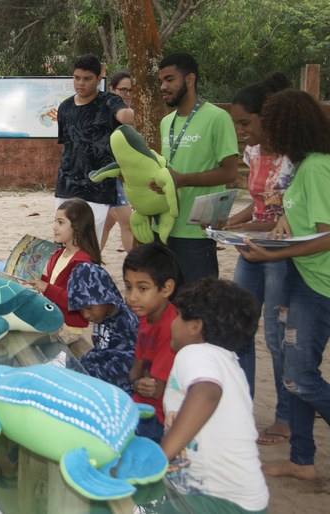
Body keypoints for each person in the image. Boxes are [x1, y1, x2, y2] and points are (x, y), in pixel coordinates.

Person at [236, 89, 330, 481]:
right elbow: (297, 220)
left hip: (320, 287)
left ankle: (302, 455)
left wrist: (273, 256)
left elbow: (327, 234)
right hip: (302, 277)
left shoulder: (317, 168)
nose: (263, 134)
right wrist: (273, 232)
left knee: (299, 376)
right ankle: (302, 461)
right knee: (297, 369)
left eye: (269, 125)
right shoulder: (303, 166)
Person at [225, 72, 293, 445]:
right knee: (240, 327)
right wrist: (229, 222)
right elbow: (261, 204)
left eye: (245, 122)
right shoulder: (253, 153)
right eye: (236, 123)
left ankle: (284, 417)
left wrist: (250, 229)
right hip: (251, 249)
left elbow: (290, 213)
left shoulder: (296, 156)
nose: (240, 131)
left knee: (277, 335)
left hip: (283, 254)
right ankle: (241, 408)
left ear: (268, 118)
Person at [162, 278, 268, 513]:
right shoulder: (227, 362)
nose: (173, 321)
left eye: (178, 315)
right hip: (237, 500)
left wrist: (160, 456)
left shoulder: (196, 353)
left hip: (219, 502)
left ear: (195, 326)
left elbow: (207, 393)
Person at [155, 52, 239, 285]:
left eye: (170, 79)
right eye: (161, 81)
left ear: (189, 80)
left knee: (198, 308)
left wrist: (183, 180)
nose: (163, 86)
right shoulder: (166, 122)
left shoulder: (217, 118)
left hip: (196, 233)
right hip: (162, 229)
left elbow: (230, 172)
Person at [55, 54, 134, 246]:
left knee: (89, 244)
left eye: (87, 78)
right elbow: (67, 146)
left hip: (98, 189)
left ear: (99, 79)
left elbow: (124, 115)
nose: (81, 83)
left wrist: (130, 114)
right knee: (63, 243)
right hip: (67, 187)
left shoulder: (109, 102)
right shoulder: (65, 108)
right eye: (77, 78)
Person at [123, 242, 181, 443]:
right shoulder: (147, 316)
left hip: (159, 418)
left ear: (166, 288)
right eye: (128, 287)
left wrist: (139, 383)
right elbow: (136, 370)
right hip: (142, 402)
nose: (132, 297)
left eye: (142, 288)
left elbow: (157, 390)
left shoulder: (172, 329)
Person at [23, 198, 101, 335]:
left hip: (68, 329)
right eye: (55, 221)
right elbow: (57, 284)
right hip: (53, 318)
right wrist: (39, 278)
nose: (54, 227)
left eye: (60, 222)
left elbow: (77, 300)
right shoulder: (60, 253)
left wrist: (46, 287)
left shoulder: (82, 263)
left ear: (77, 226)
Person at [66, 262, 137, 394]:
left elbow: (123, 367)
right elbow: (100, 351)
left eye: (88, 308)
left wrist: (85, 373)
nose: (86, 315)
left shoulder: (126, 322)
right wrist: (77, 365)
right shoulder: (101, 317)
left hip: (122, 392)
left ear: (105, 296)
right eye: (80, 311)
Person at [102, 71, 135, 252]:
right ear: (111, 89)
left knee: (106, 225)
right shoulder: (111, 111)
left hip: (116, 177)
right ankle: (136, 266)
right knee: (128, 223)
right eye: (123, 90)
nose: (127, 94)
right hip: (108, 179)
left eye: (130, 90)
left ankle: (89, 264)